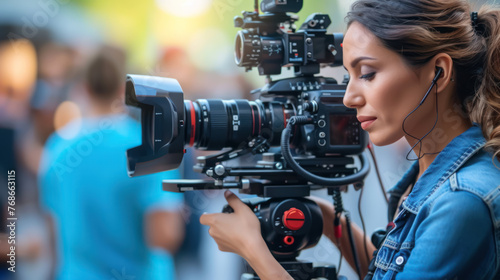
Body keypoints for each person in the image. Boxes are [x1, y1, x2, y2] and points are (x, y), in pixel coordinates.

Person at [200, 0, 500, 279]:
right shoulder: (431, 177)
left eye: (367, 73)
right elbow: (398, 268)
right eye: (348, 77)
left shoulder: (461, 201)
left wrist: (254, 251)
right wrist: (328, 218)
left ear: (439, 71)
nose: (348, 97)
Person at [38, 46, 185, 280]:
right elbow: (164, 237)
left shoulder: (57, 148)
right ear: (122, 91)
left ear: (83, 89)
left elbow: (54, 236)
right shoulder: (151, 146)